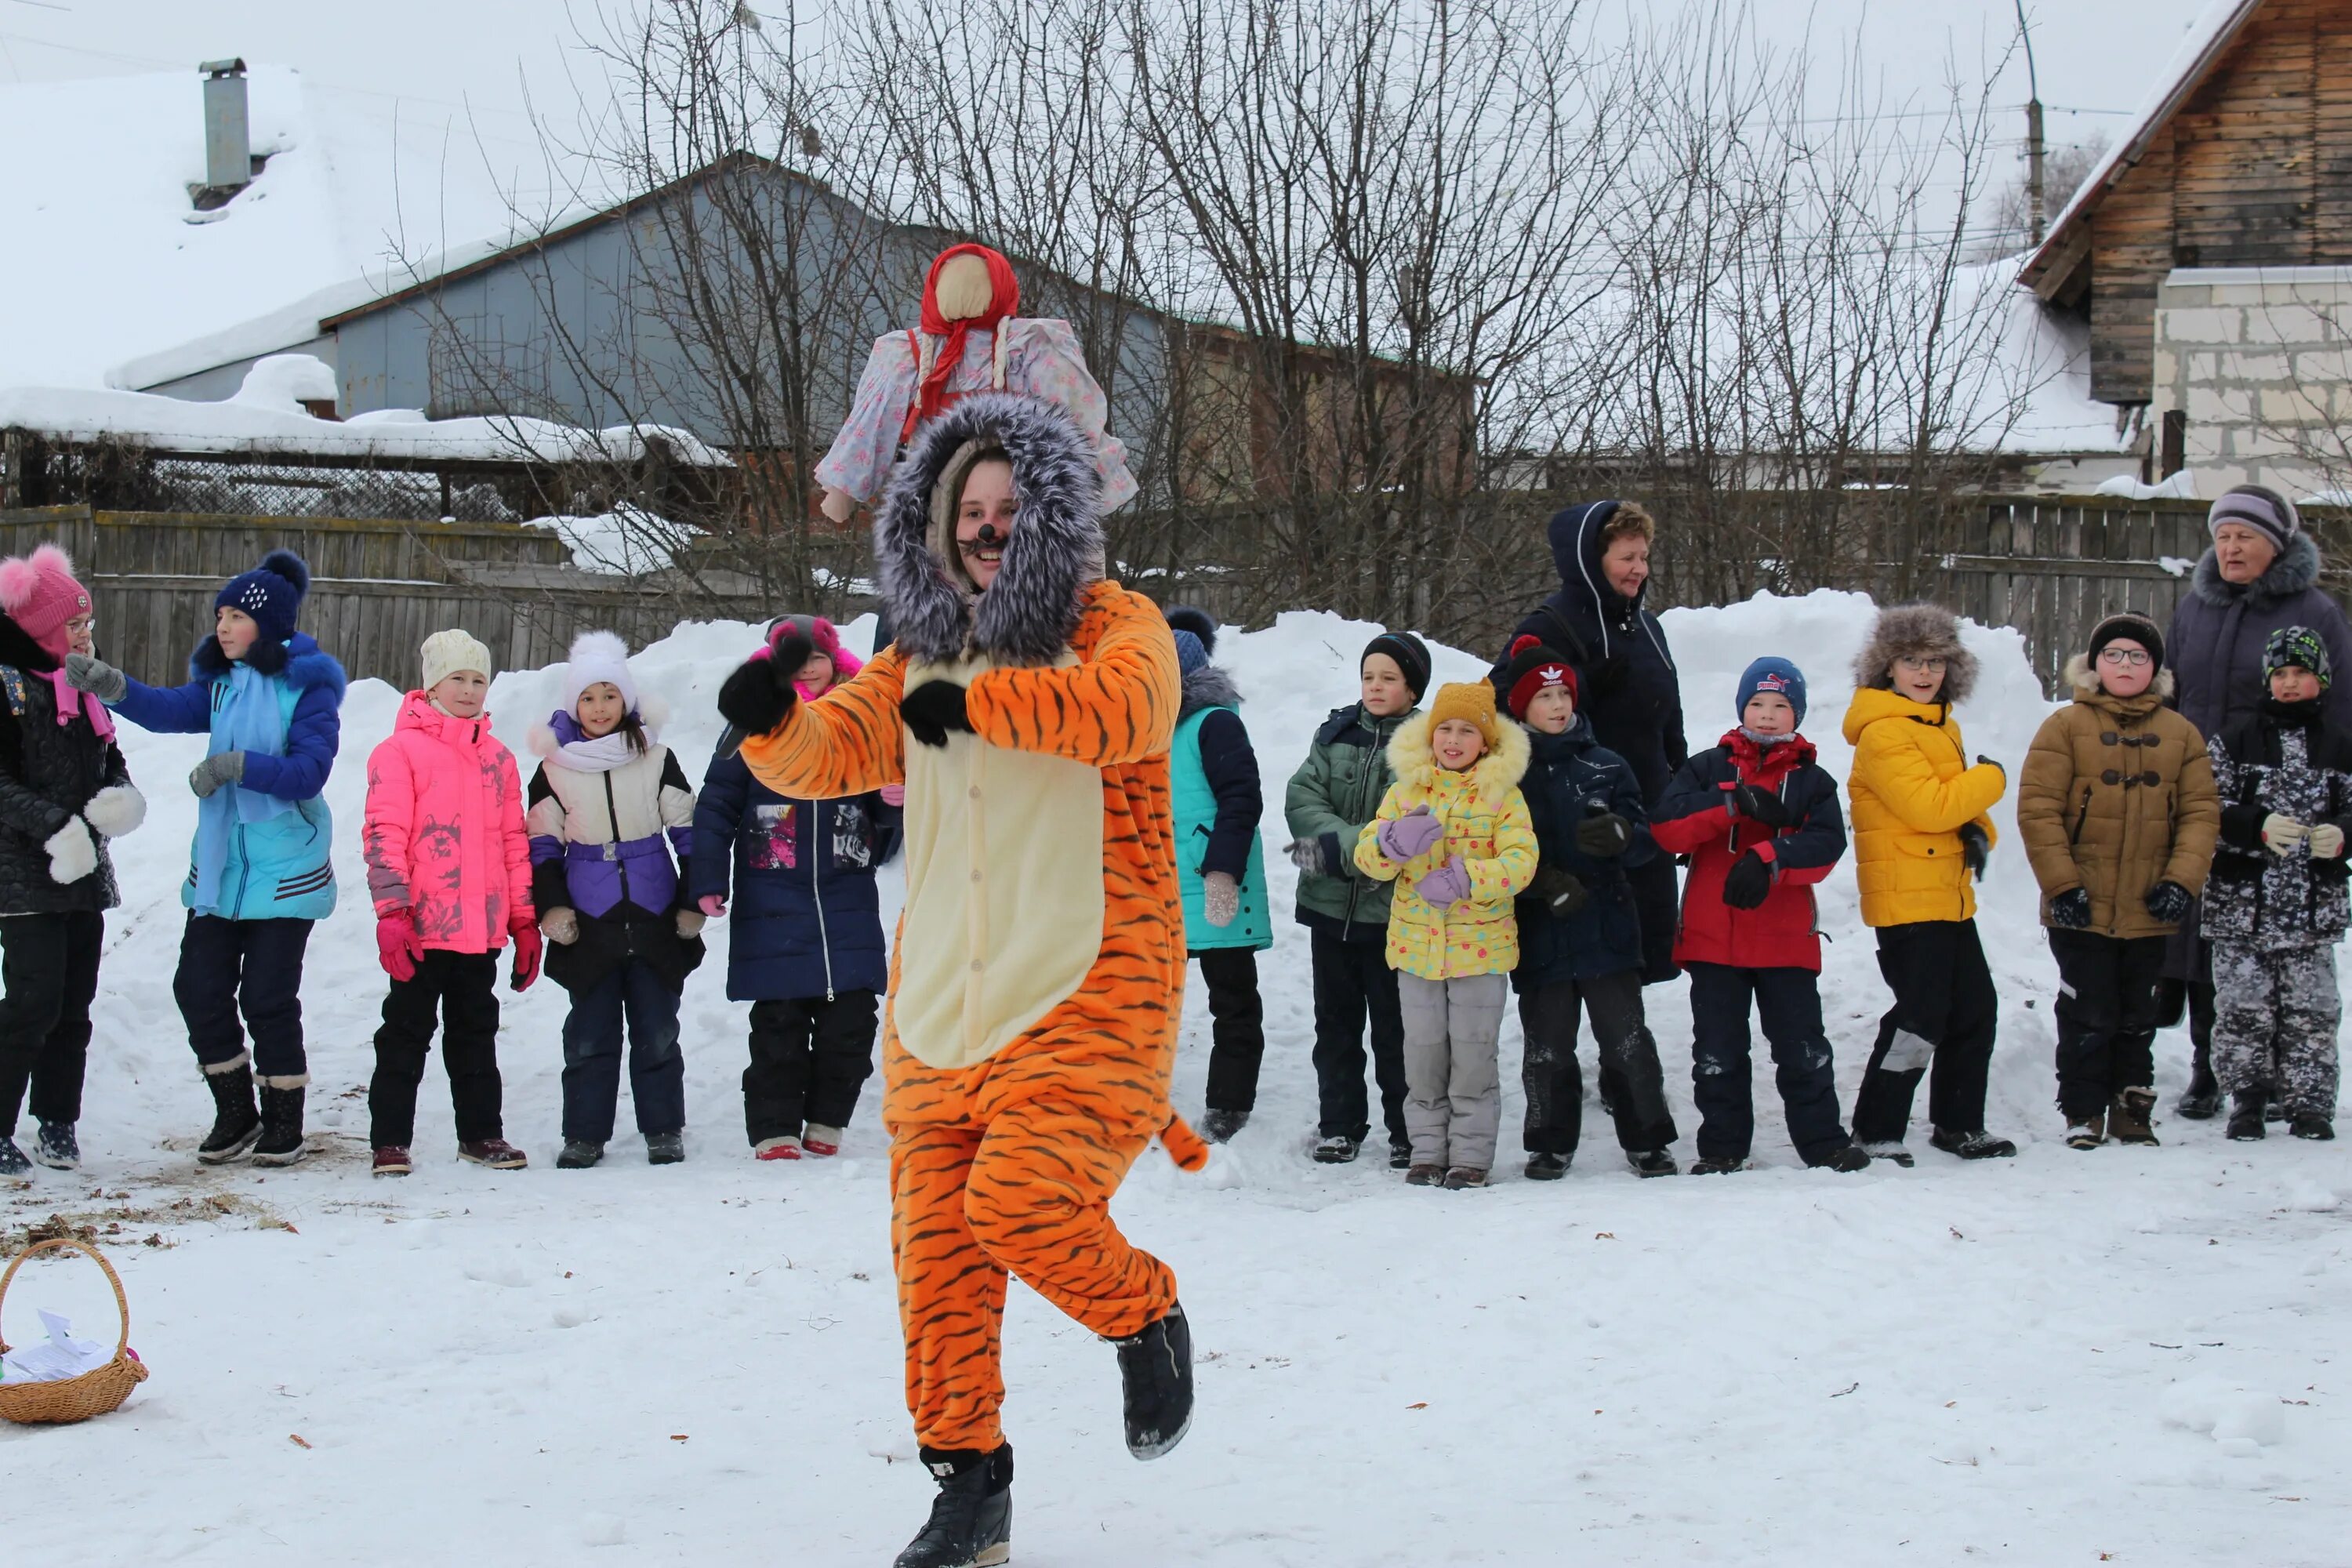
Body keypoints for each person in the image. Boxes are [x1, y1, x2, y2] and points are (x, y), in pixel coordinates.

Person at [717, 392, 1204, 1568]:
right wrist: (770, 725)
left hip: (1088, 989)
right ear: (932, 530)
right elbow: (839, 747)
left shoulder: (1112, 623)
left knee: (1021, 1207)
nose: (987, 528)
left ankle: (1142, 1311)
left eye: (1007, 507)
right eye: (965, 511)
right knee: (936, 1269)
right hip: (939, 1008)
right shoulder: (913, 655)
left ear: (1050, 515)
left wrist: (974, 699)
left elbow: (1132, 711)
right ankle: (969, 1490)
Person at [65, 550, 344, 1167]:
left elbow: (309, 770)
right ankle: (237, 1111)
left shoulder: (310, 686)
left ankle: (282, 1119)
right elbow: (170, 709)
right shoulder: (221, 683)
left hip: (284, 871)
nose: (222, 625)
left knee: (268, 998)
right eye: (220, 613)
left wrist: (238, 766)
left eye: (237, 614)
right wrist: (115, 686)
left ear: (268, 625)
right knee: (197, 988)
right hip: (221, 869)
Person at [2162, 485, 2352, 1119]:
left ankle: (2278, 1078)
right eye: (2222, 535)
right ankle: (2209, 1067)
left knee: (2278, 942)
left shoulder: (2314, 611)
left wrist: (2332, 808)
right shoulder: (2195, 608)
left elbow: (2341, 709)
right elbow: (2173, 692)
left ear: (2276, 545)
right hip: (2202, 787)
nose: (2231, 546)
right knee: (2201, 931)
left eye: (2245, 536)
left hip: (2283, 798)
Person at [690, 616, 898, 1161]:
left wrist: (891, 802)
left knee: (851, 1022)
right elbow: (715, 805)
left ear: (836, 663)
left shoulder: (860, 719)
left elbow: (881, 803)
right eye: (795, 657)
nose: (809, 667)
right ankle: (775, 1128)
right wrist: (707, 877)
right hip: (773, 893)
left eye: (818, 657)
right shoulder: (752, 722)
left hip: (846, 892)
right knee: (778, 1024)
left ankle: (828, 1119)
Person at [1651, 657, 1869, 1174]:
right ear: (1742, 707)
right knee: (1718, 1055)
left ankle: (1824, 1143)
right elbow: (1667, 829)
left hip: (1784, 940)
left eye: (1780, 705)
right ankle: (1722, 1148)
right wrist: (1731, 803)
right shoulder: (1708, 767)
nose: (1768, 715)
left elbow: (1826, 848)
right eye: (1757, 703)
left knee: (1803, 1049)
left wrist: (1769, 857)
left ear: (1797, 714)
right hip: (1712, 939)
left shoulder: (1813, 781)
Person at [2015, 612, 2219, 1149]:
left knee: (2138, 1011)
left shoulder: (2181, 734)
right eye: (2114, 655)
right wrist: (2063, 886)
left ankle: (2133, 1106)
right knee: (2088, 1007)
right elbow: (2039, 812)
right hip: (2081, 903)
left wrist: (2181, 881)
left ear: (2154, 668)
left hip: (2150, 908)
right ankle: (2083, 1110)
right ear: (2094, 664)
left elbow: (2201, 815)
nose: (2125, 665)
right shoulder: (2063, 728)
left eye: (2137, 657)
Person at [1495, 634, 1678, 1179]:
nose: (1557, 707)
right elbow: (1492, 850)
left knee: (1626, 1039)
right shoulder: (1506, 775)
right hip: (1543, 928)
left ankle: (1648, 1139)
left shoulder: (1607, 765)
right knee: (1547, 1046)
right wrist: (1537, 884)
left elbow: (1648, 840)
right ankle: (1549, 1141)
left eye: (1564, 697)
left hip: (1608, 927)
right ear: (1521, 707)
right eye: (1543, 699)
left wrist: (1624, 834)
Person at [1842, 604, 2016, 1163]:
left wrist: (1979, 828)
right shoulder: (1884, 732)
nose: (1924, 672)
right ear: (1886, 667)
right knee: (1920, 1017)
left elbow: (1950, 804)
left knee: (1975, 1009)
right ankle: (1877, 1127)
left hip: (1946, 893)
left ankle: (1959, 1124)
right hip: (1906, 901)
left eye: (1935, 661)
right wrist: (1991, 779)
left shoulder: (1938, 725)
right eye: (1910, 660)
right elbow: (1929, 804)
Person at [363, 630, 539, 1175]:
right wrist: (392, 913)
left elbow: (514, 840)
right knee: (405, 1034)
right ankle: (390, 1139)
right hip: (421, 925)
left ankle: (481, 1134)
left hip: (480, 929)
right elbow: (383, 833)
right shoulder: (399, 753)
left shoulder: (500, 761)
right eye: (456, 679)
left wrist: (524, 919)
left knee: (475, 1034)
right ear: (432, 685)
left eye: (478, 679)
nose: (468, 690)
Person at [526, 631, 702, 1169]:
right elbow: (540, 846)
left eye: (609, 696)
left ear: (625, 701)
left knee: (657, 1030)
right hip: (590, 919)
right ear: (572, 705)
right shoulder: (554, 768)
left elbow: (689, 831)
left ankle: (663, 1128)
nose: (600, 708)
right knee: (589, 1033)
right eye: (588, 698)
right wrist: (553, 908)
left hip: (653, 913)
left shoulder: (656, 757)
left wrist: (693, 899)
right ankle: (584, 1133)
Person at [1490, 499, 1686, 985]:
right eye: (1627, 558)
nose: (1640, 569)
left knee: (1631, 956)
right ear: (1590, 562)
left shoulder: (1648, 626)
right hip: (1577, 825)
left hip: (1639, 819)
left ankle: (1622, 1052)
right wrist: (1584, 686)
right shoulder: (1548, 626)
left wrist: (1680, 788)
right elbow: (1499, 708)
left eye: (1644, 557)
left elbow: (1668, 716)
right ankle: (1558, 1055)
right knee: (1574, 964)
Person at [1353, 681, 1537, 1189]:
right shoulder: (1405, 791)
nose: (1454, 740)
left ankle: (1471, 1158)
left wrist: (1467, 879)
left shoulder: (1503, 795)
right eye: (1445, 730)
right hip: (1416, 951)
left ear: (1486, 741)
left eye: (1467, 731)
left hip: (1480, 952)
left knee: (1474, 1055)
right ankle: (1427, 1153)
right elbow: (1368, 861)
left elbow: (1522, 863)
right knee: (1424, 1054)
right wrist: (1391, 844)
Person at [815, 242, 1137, 523]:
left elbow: (871, 426)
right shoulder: (1033, 345)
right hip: (1007, 502)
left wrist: (841, 491)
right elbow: (1075, 422)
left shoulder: (906, 354)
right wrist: (1097, 488)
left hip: (950, 502)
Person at [0, 546, 144, 1175]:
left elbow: (109, 759)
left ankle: (59, 1121)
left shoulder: (82, 687)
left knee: (74, 1002)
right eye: (76, 625)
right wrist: (55, 825)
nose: (88, 634)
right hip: (25, 873)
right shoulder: (8, 689)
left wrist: (120, 795)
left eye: (88, 623)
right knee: (33, 1000)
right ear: (41, 630)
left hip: (83, 873)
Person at [1283, 630, 1429, 1166]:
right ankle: (1339, 1124)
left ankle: (1406, 1129)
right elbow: (1303, 798)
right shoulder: (1335, 733)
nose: (1375, 686)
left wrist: (1351, 848)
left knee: (1396, 1029)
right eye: (1369, 676)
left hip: (1391, 913)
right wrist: (1357, 847)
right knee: (1336, 1025)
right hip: (1328, 906)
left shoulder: (1426, 746)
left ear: (1411, 689)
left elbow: (1416, 822)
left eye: (1389, 678)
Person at [2204, 626, 2352, 1143]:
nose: (2290, 684)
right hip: (2243, 906)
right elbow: (2206, 807)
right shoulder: (2234, 740)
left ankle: (2310, 1103)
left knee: (2312, 1011)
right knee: (2243, 1009)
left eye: (2301, 673)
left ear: (2321, 679)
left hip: (2311, 909)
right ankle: (2248, 1099)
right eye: (2281, 674)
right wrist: (2255, 825)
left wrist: (2343, 834)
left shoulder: (2339, 745)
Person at [1163, 606, 1272, 1143]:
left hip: (1211, 882)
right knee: (1149, 1002)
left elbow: (1240, 798)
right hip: (1156, 889)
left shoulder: (1214, 722)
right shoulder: (1144, 728)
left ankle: (1229, 1104)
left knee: (1232, 998)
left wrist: (1223, 872)